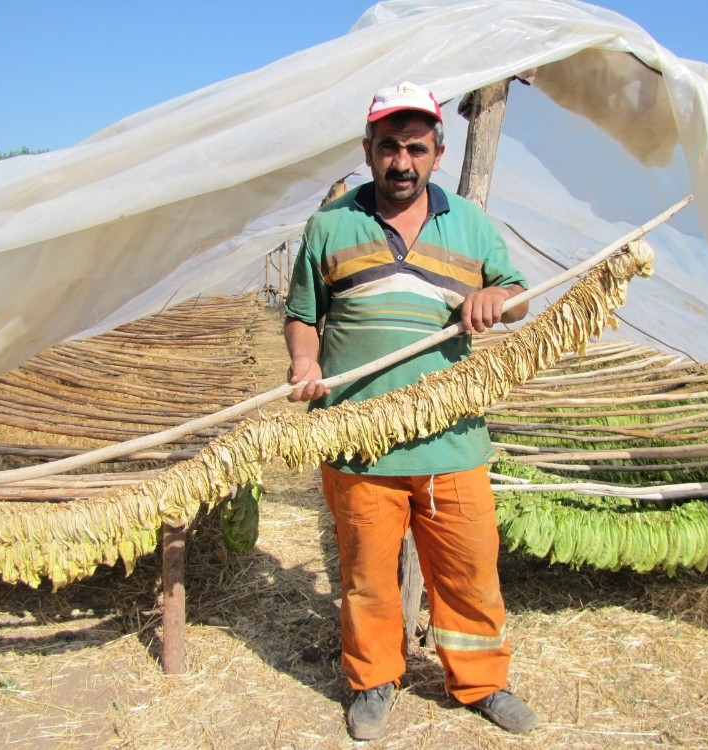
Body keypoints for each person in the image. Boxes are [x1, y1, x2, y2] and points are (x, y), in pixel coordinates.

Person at [283, 81, 536, 740]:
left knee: (470, 570)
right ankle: (373, 682)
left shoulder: (472, 225)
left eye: (416, 148)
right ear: (368, 150)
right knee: (366, 574)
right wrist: (304, 365)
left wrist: (497, 302)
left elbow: (517, 296)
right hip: (358, 439)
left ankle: (482, 683)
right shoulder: (329, 227)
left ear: (438, 152)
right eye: (388, 146)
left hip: (452, 440)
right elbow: (303, 316)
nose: (402, 161)